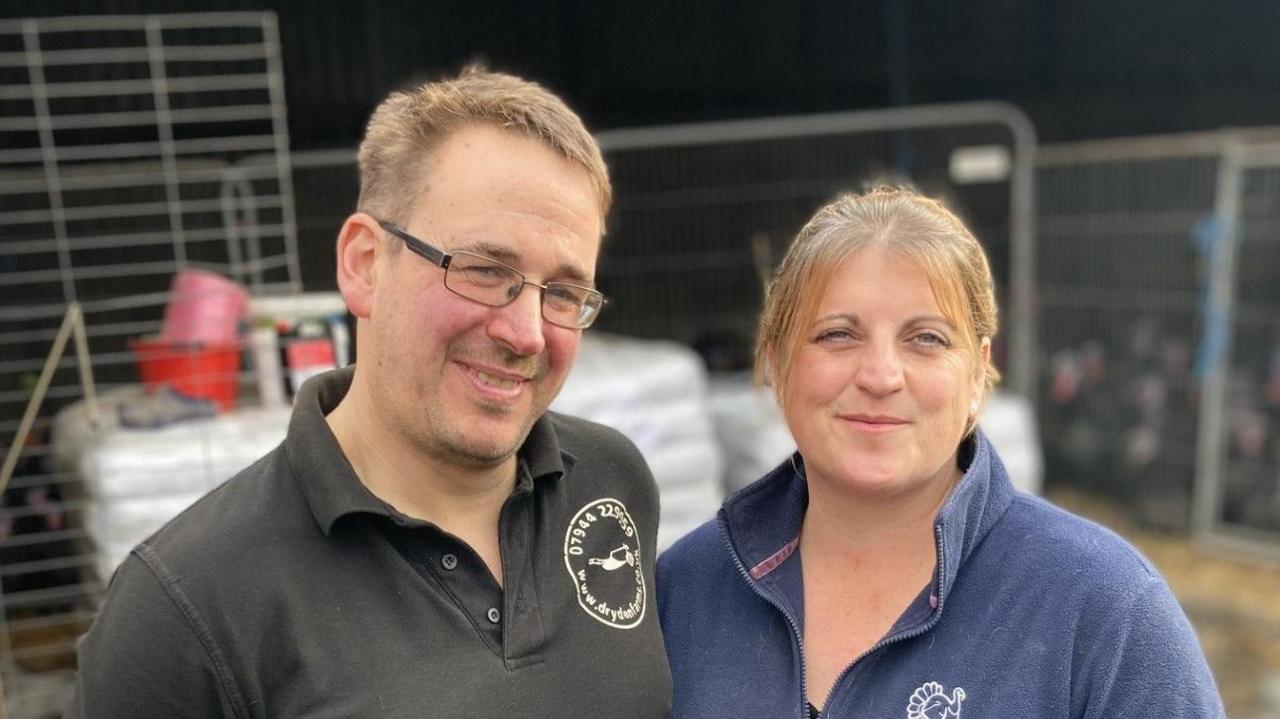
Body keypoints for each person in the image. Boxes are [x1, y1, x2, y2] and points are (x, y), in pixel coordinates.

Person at [68, 68, 671, 717]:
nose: (526, 334)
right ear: (363, 264)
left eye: (562, 292)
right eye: (485, 269)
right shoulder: (183, 611)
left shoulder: (610, 481)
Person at [657, 186, 1224, 718]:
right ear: (776, 365)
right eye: (837, 334)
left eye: (926, 338)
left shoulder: (1106, 609)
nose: (880, 376)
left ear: (978, 375)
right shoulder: (686, 587)